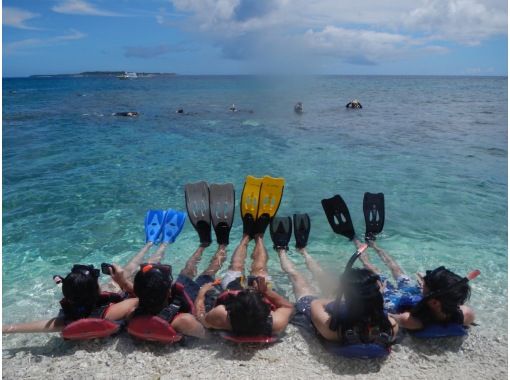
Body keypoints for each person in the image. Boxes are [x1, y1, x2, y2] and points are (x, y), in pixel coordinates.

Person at [274, 215, 397, 348]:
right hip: (354, 305)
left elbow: (316, 304)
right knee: (325, 279)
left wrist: (339, 297)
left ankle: (283, 250)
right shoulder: (390, 327)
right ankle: (302, 251)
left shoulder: (333, 328)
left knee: (298, 277)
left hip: (321, 306)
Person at [1, 242, 152, 334]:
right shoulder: (111, 312)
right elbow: (144, 298)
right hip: (119, 289)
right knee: (130, 271)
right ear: (98, 291)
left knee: (128, 271)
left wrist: (5, 328)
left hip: (90, 294)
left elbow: (14, 327)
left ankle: (149, 244)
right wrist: (123, 282)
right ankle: (150, 245)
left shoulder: (66, 320)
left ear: (67, 295)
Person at [355, 238, 475, 330]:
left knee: (372, 269)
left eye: (425, 284)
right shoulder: (465, 314)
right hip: (417, 294)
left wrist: (379, 294)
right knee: (396, 269)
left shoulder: (411, 320)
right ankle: (374, 245)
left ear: (434, 302)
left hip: (392, 297)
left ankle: (357, 242)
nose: (423, 283)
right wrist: (426, 287)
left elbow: (382, 316)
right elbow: (455, 297)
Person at [196, 234, 293, 337]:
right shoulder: (276, 324)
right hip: (260, 293)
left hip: (233, 288)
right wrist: (266, 291)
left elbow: (201, 317)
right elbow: (288, 307)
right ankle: (259, 237)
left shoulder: (221, 316)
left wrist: (201, 294)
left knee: (236, 266)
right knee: (260, 269)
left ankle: (245, 238)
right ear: (265, 311)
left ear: (231, 309)